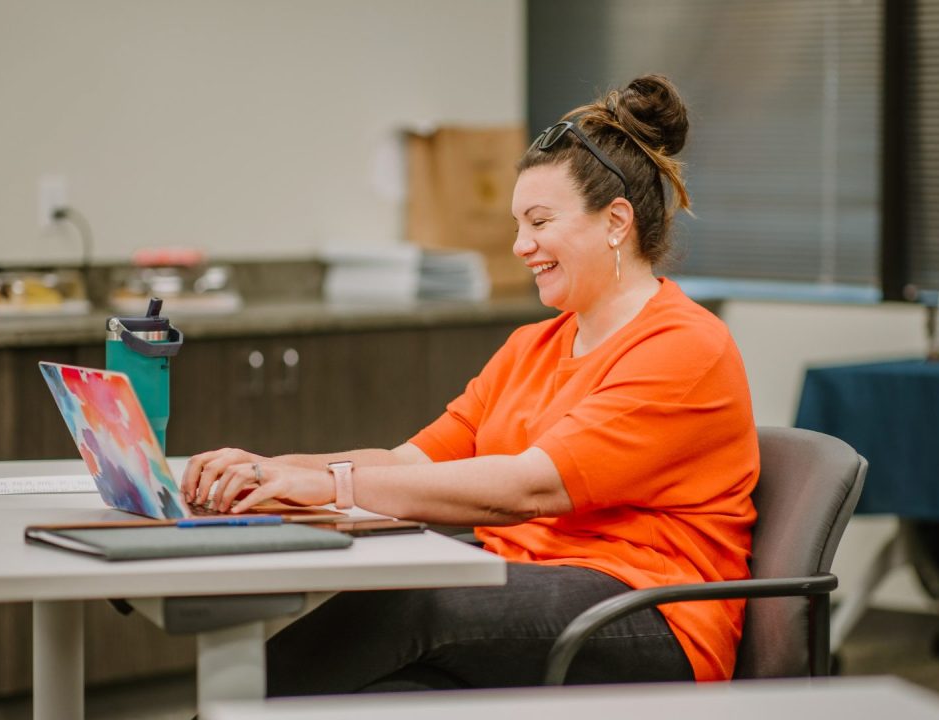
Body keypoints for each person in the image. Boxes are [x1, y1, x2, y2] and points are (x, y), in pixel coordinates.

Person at [180, 74, 759, 692]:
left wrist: (324, 483)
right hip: (528, 594)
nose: (520, 245)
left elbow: (529, 487)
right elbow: (407, 461)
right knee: (385, 695)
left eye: (538, 221)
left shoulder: (683, 345)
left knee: (418, 602)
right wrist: (271, 471)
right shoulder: (531, 347)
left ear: (616, 220)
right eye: (517, 224)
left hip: (647, 615)